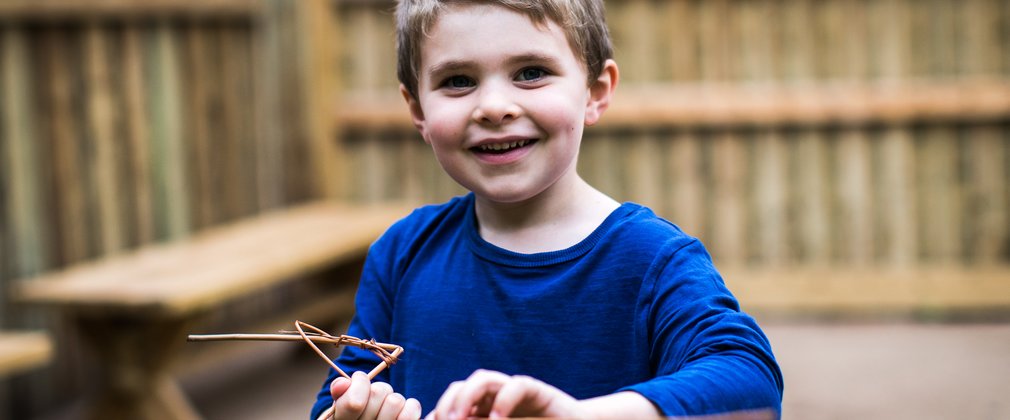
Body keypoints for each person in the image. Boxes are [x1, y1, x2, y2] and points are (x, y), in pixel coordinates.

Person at [311, 0, 784, 418]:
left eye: (531, 72)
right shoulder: (402, 253)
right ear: (417, 109)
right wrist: (350, 412)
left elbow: (749, 381)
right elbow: (340, 392)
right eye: (458, 81)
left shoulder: (652, 259)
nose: (494, 106)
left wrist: (580, 416)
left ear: (596, 92)